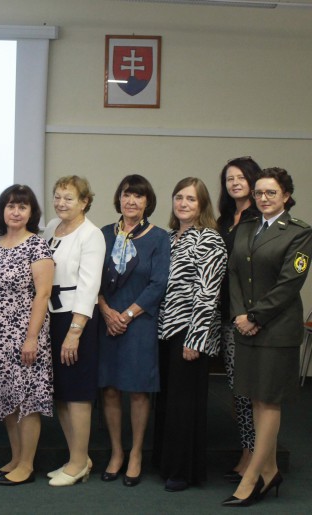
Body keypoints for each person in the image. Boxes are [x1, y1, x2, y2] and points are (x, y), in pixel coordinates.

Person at [223, 167, 312, 507]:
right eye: (258, 192)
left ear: (286, 195)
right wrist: (239, 315)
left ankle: (252, 478)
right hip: (246, 326)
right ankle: (270, 470)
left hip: (276, 330)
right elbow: (233, 272)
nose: (263, 198)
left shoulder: (299, 232)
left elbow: (289, 284)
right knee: (255, 400)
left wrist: (255, 317)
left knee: (268, 401)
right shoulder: (246, 227)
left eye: (271, 192)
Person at [0, 184, 54, 487]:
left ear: (31, 212)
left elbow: (43, 294)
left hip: (25, 335)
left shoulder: (37, 246)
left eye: (23, 206)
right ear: (2, 210)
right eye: (11, 206)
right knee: (6, 397)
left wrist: (31, 338)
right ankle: (16, 457)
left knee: (26, 399)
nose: (16, 212)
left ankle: (27, 465)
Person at [152, 177, 227, 492]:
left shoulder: (210, 239)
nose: (183, 203)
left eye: (191, 199)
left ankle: (183, 471)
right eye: (179, 197)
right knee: (167, 401)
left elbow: (208, 295)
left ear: (202, 205)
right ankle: (166, 462)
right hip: (164, 331)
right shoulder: (168, 237)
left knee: (185, 405)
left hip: (190, 333)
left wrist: (194, 340)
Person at [97, 174, 169, 487]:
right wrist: (105, 311)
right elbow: (91, 279)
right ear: (119, 198)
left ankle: (137, 453)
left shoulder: (159, 237)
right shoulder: (103, 234)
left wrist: (126, 315)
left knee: (138, 390)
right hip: (106, 321)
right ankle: (116, 452)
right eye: (127, 194)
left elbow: (158, 283)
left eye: (138, 196)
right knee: (110, 388)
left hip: (139, 323)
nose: (131, 201)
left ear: (147, 202)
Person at [42, 176, 105, 487]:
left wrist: (75, 332)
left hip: (76, 319)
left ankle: (79, 462)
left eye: (68, 198)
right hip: (50, 317)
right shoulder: (51, 227)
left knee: (78, 393)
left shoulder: (91, 235)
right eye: (57, 196)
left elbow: (89, 287)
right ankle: (76, 458)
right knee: (61, 392)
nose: (61, 203)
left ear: (84, 202)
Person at [216, 156, 261, 483]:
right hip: (223, 314)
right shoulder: (223, 221)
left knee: (249, 389)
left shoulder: (260, 220)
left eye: (241, 178)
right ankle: (248, 448)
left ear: (253, 181)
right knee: (236, 388)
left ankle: (254, 455)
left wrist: (252, 313)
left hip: (247, 317)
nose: (234, 183)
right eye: (229, 178)